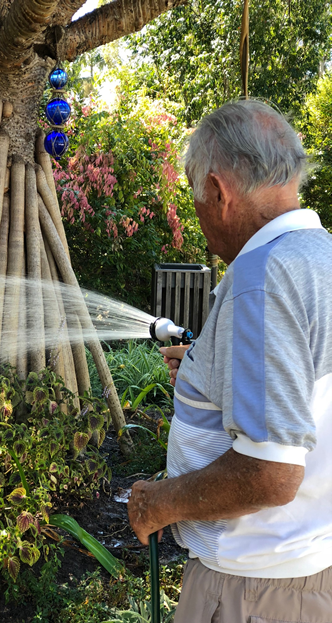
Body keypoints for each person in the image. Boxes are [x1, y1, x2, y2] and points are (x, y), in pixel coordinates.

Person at [127, 99, 332, 622]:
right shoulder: (320, 257)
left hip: (253, 591)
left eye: (196, 198)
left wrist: (161, 504)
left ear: (218, 191)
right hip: (309, 569)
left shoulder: (263, 278)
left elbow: (270, 475)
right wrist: (211, 371)